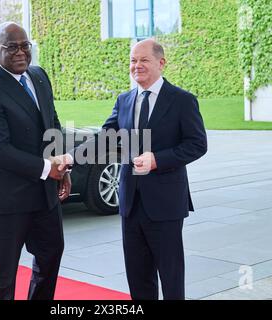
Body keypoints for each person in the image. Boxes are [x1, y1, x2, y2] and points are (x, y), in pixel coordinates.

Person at [58, 39, 207, 300]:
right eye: (132, 60)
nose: (136, 66)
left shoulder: (182, 100)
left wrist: (157, 159)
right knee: (138, 278)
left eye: (144, 60)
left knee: (171, 277)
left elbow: (197, 145)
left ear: (161, 63)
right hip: (130, 204)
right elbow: (104, 138)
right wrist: (71, 157)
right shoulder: (124, 100)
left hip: (165, 204)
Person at [0, 21, 71, 300]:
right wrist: (48, 169)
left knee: (51, 255)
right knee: (5, 271)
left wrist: (61, 168)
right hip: (7, 197)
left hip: (44, 192)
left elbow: (52, 123)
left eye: (25, 46)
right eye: (11, 47)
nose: (20, 52)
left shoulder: (39, 76)